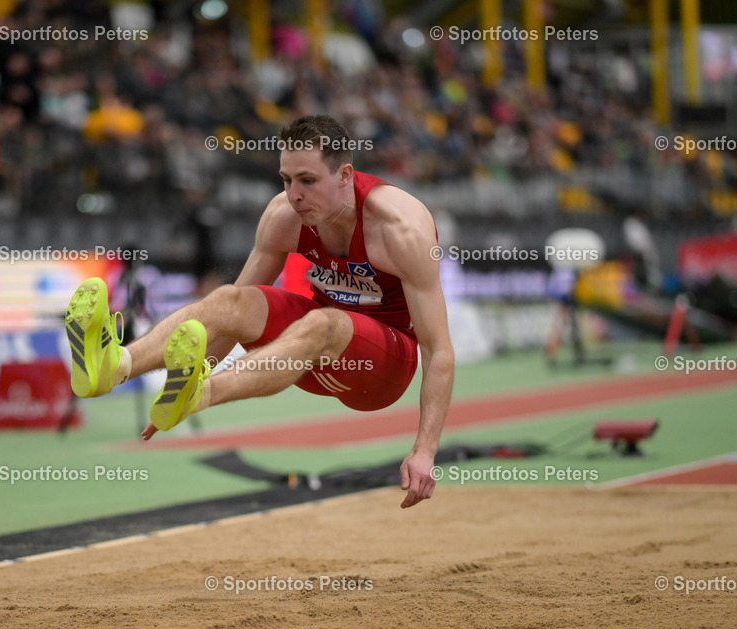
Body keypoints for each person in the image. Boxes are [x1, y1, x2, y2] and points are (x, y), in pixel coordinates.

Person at [65, 115, 454, 509]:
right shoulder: (284, 216)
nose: (294, 195)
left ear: (345, 175)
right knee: (229, 298)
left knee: (324, 322)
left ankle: (204, 396)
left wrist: (424, 451)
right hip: (308, 354)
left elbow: (438, 350)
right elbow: (231, 318)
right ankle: (118, 365)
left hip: (382, 370)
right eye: (285, 180)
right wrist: (187, 378)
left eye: (307, 180)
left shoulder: (400, 228)